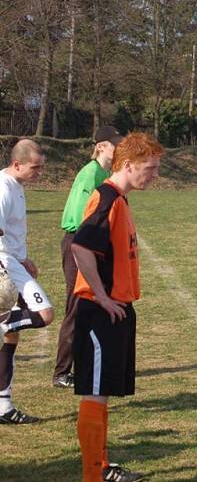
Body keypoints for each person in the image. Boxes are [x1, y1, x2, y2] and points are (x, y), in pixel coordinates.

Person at [71, 132, 163, 481]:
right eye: (149, 168)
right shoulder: (106, 198)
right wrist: (103, 296)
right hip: (99, 311)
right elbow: (81, 249)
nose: (154, 175)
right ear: (127, 165)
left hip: (116, 308)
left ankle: (102, 466)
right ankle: (92, 475)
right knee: (94, 393)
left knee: (103, 392)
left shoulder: (121, 200)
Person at [53, 126, 123, 389]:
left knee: (87, 305)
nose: (118, 148)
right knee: (76, 305)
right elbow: (84, 217)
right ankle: (61, 372)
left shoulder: (104, 173)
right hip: (78, 243)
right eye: (115, 144)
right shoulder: (90, 173)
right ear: (102, 146)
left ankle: (82, 363)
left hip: (90, 243)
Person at [0, 139, 54, 424]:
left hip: (15, 263)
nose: (39, 173)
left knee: (11, 338)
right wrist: (9, 265)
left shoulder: (16, 185)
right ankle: (4, 321)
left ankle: (4, 407)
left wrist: (23, 258)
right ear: (17, 164)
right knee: (44, 315)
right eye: (35, 167)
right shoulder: (3, 188)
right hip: (5, 266)